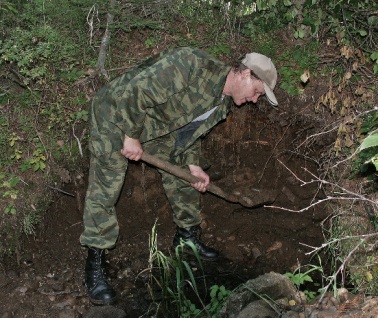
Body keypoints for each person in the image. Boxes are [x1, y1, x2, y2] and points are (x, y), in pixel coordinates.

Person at [80, 47, 278, 305]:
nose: (254, 100)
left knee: (184, 175)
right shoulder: (191, 65)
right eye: (257, 92)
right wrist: (129, 135)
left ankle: (186, 240)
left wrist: (192, 165)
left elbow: (187, 133)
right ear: (246, 75)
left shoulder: (221, 104)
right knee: (107, 187)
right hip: (116, 114)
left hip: (153, 128)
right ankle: (95, 264)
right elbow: (137, 91)